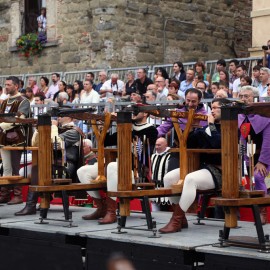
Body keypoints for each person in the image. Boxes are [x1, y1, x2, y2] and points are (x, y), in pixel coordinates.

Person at [159, 98, 228, 233]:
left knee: (190, 180)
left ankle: (176, 220)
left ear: (225, 110)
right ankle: (182, 218)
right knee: (168, 178)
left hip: (219, 171)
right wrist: (193, 126)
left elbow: (217, 144)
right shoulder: (206, 127)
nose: (212, 111)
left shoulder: (229, 126)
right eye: (211, 108)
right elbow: (188, 143)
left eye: (215, 108)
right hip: (200, 167)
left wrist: (211, 126)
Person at [78, 111, 158, 224]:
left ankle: (111, 212)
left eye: (136, 110)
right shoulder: (126, 127)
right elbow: (105, 141)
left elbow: (142, 151)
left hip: (136, 169)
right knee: (83, 171)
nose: (132, 113)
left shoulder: (151, 130)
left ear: (145, 113)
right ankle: (102, 208)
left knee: (112, 166)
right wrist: (106, 125)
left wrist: (128, 129)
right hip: (117, 166)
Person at [15, 114, 84, 215]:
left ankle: (30, 206)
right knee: (26, 171)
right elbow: (35, 144)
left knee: (37, 170)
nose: (58, 117)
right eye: (57, 115)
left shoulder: (74, 131)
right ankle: (44, 196)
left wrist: (54, 127)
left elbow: (55, 144)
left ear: (70, 118)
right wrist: (39, 130)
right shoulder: (58, 129)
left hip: (65, 167)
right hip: (52, 165)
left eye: (61, 115)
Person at [238, 86, 270, 224]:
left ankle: (262, 212)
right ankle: (235, 214)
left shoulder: (265, 116)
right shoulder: (239, 116)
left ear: (255, 99)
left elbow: (268, 142)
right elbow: (241, 141)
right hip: (248, 156)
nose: (243, 99)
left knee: (258, 176)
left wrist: (263, 161)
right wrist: (243, 162)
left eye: (247, 96)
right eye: (241, 96)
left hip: (265, 157)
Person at [0, 76, 31, 204]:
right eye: (5, 84)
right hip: (3, 137)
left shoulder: (24, 101)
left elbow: (20, 119)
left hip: (16, 137)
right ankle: (5, 194)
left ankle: (18, 195)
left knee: (15, 167)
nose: (6, 86)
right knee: (5, 167)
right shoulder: (5, 101)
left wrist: (2, 126)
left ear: (16, 86)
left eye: (8, 85)